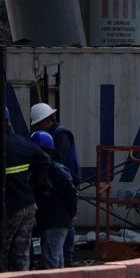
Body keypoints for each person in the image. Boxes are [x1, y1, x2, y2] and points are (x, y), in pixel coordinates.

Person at [31, 102, 80, 266]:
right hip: (62, 182)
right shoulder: (51, 135)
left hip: (65, 182)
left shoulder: (61, 135)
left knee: (66, 221)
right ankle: (64, 262)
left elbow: (58, 162)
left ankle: (67, 258)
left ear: (46, 120)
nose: (38, 128)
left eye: (38, 124)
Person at [1, 107, 49, 272]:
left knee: (3, 251)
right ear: (9, 121)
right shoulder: (22, 142)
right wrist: (35, 184)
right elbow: (44, 159)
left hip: (10, 209)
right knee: (21, 254)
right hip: (28, 205)